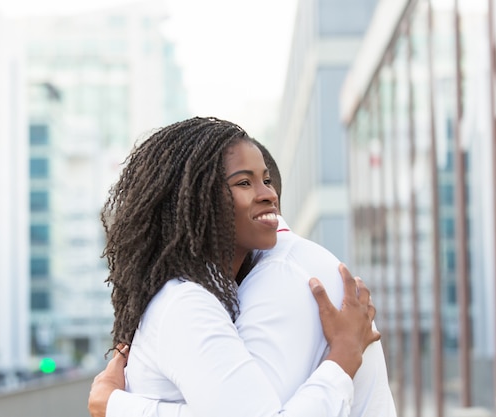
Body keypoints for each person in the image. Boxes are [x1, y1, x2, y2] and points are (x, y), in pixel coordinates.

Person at [90, 117, 380, 417]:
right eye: (244, 182)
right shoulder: (187, 303)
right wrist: (345, 355)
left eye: (266, 180)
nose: (269, 194)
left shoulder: (213, 295)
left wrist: (116, 407)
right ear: (195, 201)